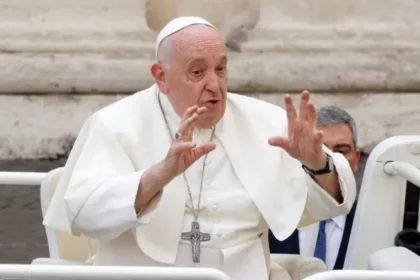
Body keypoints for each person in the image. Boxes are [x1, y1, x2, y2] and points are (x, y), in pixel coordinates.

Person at [43, 17, 356, 280]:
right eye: (197, 71)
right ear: (161, 77)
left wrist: (318, 164)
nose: (214, 84)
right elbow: (84, 214)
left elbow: (334, 205)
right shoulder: (114, 124)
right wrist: (159, 175)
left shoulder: (266, 123)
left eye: (220, 69)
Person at [268, 105, 361, 270]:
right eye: (319, 151)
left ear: (356, 159)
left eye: (341, 152)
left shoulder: (376, 221)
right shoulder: (271, 216)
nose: (329, 161)